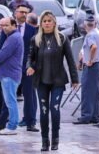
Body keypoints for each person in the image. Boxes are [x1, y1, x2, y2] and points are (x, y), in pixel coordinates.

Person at [27, 11, 79, 151]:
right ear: (41, 23)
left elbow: (70, 59)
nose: (47, 23)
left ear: (54, 23)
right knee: (44, 111)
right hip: (41, 80)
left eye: (50, 20)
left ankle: (55, 138)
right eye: (44, 21)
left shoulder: (62, 39)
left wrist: (75, 79)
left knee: (54, 110)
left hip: (58, 80)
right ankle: (45, 141)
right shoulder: (35, 39)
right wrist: (30, 67)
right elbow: (30, 58)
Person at [0, 17, 23, 135]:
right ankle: (12, 125)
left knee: (10, 101)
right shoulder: (13, 37)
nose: (4, 28)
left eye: (7, 25)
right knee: (10, 100)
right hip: (9, 73)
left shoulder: (13, 38)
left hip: (9, 74)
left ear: (14, 25)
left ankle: (12, 126)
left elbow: (2, 54)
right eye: (2, 25)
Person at [74, 16, 99, 125]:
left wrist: (90, 60)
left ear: (85, 25)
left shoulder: (90, 35)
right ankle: (95, 116)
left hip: (91, 65)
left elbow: (93, 47)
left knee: (86, 91)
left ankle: (86, 116)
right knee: (94, 92)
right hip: (97, 64)